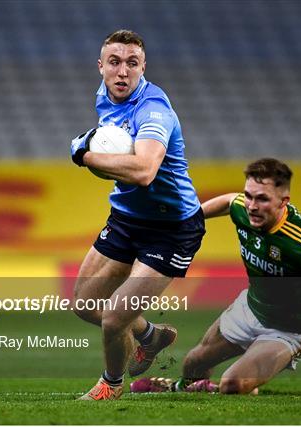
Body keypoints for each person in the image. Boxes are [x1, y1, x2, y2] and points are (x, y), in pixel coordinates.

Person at [130, 158, 301, 396]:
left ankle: (238, 380)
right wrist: (187, 221)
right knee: (193, 364)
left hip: (289, 330)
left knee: (232, 384)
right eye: (249, 195)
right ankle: (183, 387)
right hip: (251, 308)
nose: (251, 206)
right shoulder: (242, 208)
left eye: (262, 199)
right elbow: (229, 201)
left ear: (284, 202)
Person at [70, 29, 205, 400]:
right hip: (127, 218)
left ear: (143, 67)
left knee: (114, 317)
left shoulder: (154, 109)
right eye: (114, 62)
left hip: (171, 229)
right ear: (101, 67)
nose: (123, 72)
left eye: (132, 63)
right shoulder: (105, 96)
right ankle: (150, 335)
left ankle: (111, 386)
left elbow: (145, 171)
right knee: (84, 304)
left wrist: (84, 154)